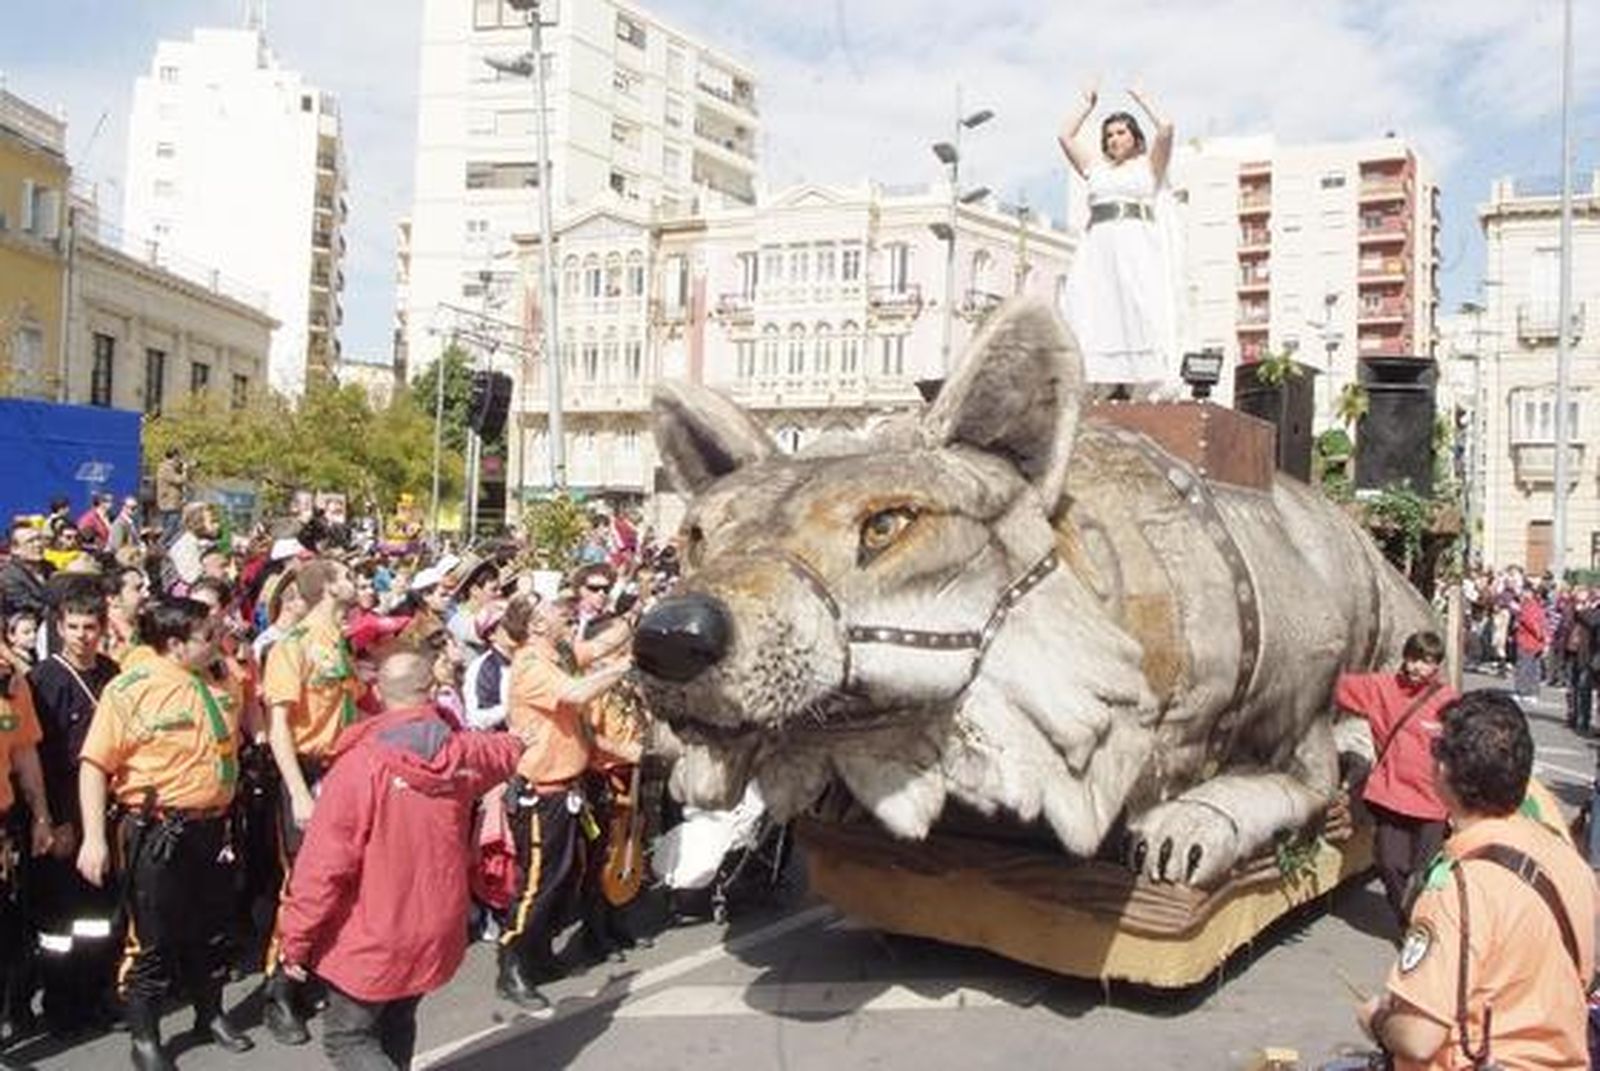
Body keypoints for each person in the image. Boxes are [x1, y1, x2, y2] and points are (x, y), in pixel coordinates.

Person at [277, 651, 530, 1071]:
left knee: (348, 1037)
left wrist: (296, 943)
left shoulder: (359, 767)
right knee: (398, 1018)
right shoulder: (461, 753)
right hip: (435, 925)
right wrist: (521, 740)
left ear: (377, 693)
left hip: (372, 933)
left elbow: (321, 870)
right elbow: (501, 752)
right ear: (432, 691)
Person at [1356, 690, 1596, 1067]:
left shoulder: (1458, 890)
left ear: (1443, 771)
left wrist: (1377, 1018)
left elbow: (1419, 1037)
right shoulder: (1568, 862)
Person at [76, 597, 253, 1071]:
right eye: (206, 635)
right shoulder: (131, 689)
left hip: (212, 827)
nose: (217, 641)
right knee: (152, 940)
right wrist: (94, 839)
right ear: (175, 644)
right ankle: (146, 1038)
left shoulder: (217, 681)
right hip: (157, 832)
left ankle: (210, 1014)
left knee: (211, 930)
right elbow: (94, 765)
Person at [496, 597, 631, 1010]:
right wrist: (623, 667)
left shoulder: (560, 652)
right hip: (542, 794)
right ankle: (511, 963)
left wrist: (632, 618)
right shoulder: (531, 666)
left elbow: (606, 642)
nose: (567, 611)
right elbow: (575, 693)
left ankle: (537, 955)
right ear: (537, 625)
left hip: (569, 789)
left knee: (562, 880)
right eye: (557, 608)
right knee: (537, 883)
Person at [260, 558, 363, 1045]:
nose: (355, 581)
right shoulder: (291, 647)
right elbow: (279, 727)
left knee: (340, 879)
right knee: (302, 885)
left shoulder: (337, 643)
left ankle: (315, 972)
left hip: (342, 772)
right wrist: (299, 792)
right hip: (307, 772)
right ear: (327, 587)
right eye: (346, 575)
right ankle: (280, 989)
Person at [26, 586, 122, 1037]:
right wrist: (56, 820)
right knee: (61, 920)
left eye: (91, 627)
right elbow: (39, 757)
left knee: (100, 914)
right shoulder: (45, 680)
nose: (83, 636)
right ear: (60, 629)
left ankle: (96, 993)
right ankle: (61, 1007)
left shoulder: (112, 672)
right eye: (74, 627)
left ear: (103, 629)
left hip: (105, 807)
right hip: (66, 807)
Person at [1057, 84, 1180, 396]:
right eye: (1109, 135)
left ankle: (1146, 379)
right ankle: (1102, 378)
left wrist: (1143, 98)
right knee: (1096, 307)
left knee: (1139, 306)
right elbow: (1065, 137)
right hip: (1098, 247)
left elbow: (1166, 129)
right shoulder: (1095, 169)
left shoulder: (1149, 166)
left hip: (1136, 244)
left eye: (1121, 132)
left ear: (1135, 137)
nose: (1114, 139)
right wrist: (1085, 104)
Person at [1334, 630, 1458, 933]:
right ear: (1405, 657)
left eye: (1427, 662)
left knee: (1425, 872)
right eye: (1414, 658)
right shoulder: (1381, 688)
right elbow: (1333, 684)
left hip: (1433, 803)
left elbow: (1461, 749)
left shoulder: (1448, 701)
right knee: (1390, 864)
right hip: (1391, 795)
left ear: (1437, 666)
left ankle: (1422, 924)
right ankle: (1410, 921)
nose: (1418, 667)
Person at [0, 636, 54, 1050]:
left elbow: (24, 755)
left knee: (10, 932)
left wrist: (40, 816)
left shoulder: (9, 679)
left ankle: (14, 1010)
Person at [1, 521, 52, 626]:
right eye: (30, 541)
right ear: (15, 549)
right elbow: (30, 606)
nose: (38, 544)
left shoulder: (50, 568)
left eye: (39, 539)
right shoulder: (9, 577)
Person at [1512, 587, 1547, 700]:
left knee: (1524, 666)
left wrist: (1539, 634)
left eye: (1524, 593)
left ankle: (1522, 691)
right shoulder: (1538, 607)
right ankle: (1533, 692)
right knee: (1534, 667)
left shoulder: (1528, 606)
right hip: (1535, 641)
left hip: (1527, 640)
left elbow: (1530, 622)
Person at [154, 449, 190, 544]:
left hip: (167, 503)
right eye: (178, 458)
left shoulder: (166, 467)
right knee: (172, 528)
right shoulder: (166, 468)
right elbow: (180, 480)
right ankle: (159, 545)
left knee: (168, 527)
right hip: (170, 504)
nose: (179, 460)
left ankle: (163, 546)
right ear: (174, 457)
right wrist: (185, 470)